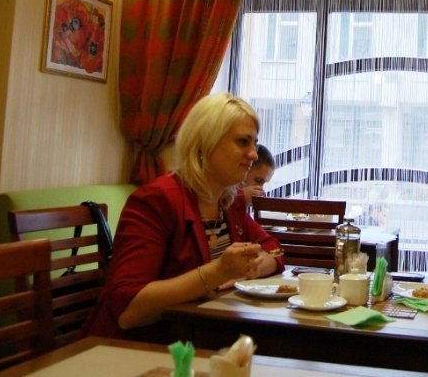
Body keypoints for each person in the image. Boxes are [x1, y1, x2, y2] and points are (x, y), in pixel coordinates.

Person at [83, 93, 284, 342]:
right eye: (243, 142)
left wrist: (255, 267)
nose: (253, 154)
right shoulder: (157, 200)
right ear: (205, 143)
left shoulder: (229, 202)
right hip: (138, 348)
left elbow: (274, 250)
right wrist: (218, 272)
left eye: (254, 143)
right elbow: (128, 310)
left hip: (200, 338)